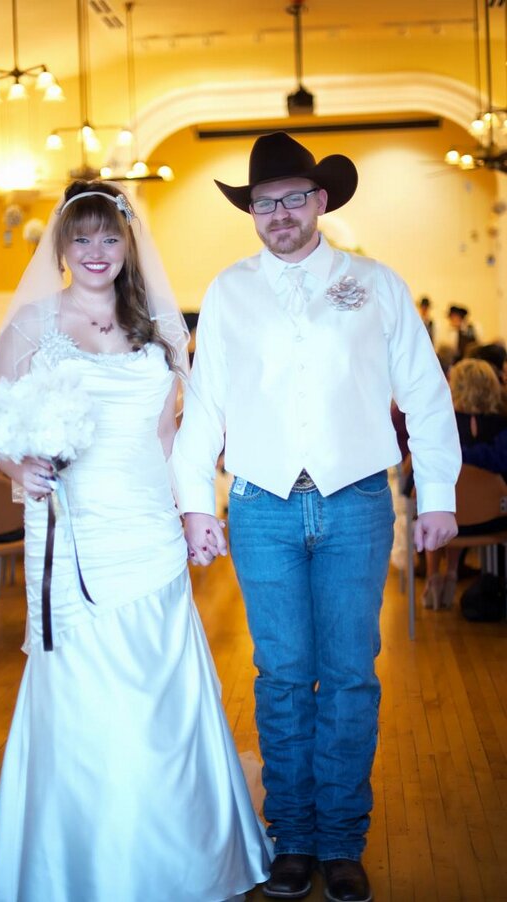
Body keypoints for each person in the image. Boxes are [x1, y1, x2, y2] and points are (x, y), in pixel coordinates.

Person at [0, 181, 271, 902]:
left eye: (109, 238)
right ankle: (82, 861)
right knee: (87, 690)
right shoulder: (35, 324)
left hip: (148, 527)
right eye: (82, 238)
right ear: (62, 247)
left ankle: (183, 853)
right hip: (72, 528)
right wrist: (19, 465)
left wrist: (195, 513)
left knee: (160, 688)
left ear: (129, 245)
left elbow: (172, 436)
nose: (96, 252)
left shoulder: (158, 327)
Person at [172, 132, 461, 902]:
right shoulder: (229, 291)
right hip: (262, 504)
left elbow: (427, 394)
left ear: (322, 202)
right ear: (253, 213)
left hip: (357, 502)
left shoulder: (375, 283)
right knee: (280, 677)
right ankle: (292, 837)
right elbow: (204, 404)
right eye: (264, 203)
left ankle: (341, 841)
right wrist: (195, 502)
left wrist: (438, 497)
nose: (279, 214)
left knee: (349, 678)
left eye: (293, 198)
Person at [422, 358, 507, 610]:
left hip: (444, 517)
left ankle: (433, 577)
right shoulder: (502, 426)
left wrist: (458, 455)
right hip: (492, 522)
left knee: (436, 505)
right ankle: (452, 573)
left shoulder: (440, 425)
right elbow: (501, 462)